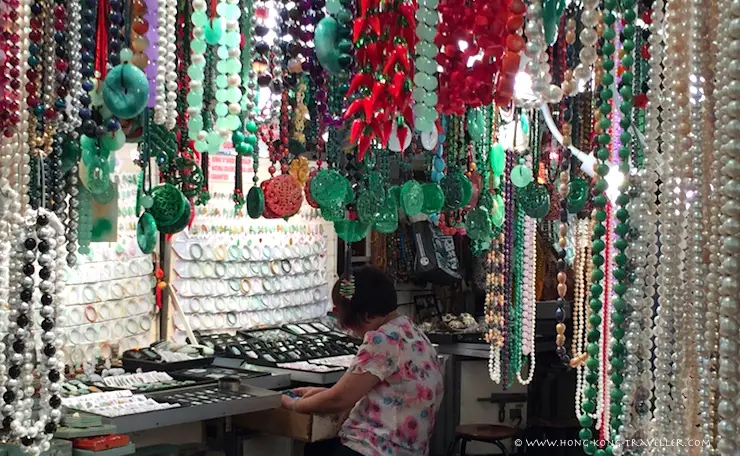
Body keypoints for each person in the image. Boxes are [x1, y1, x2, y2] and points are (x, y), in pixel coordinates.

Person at [281, 266, 444, 456]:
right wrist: (319, 394)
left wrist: (292, 405)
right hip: (409, 448)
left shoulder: (382, 339)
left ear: (365, 316)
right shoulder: (410, 331)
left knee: (316, 448)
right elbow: (368, 392)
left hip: (376, 448)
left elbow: (339, 399)